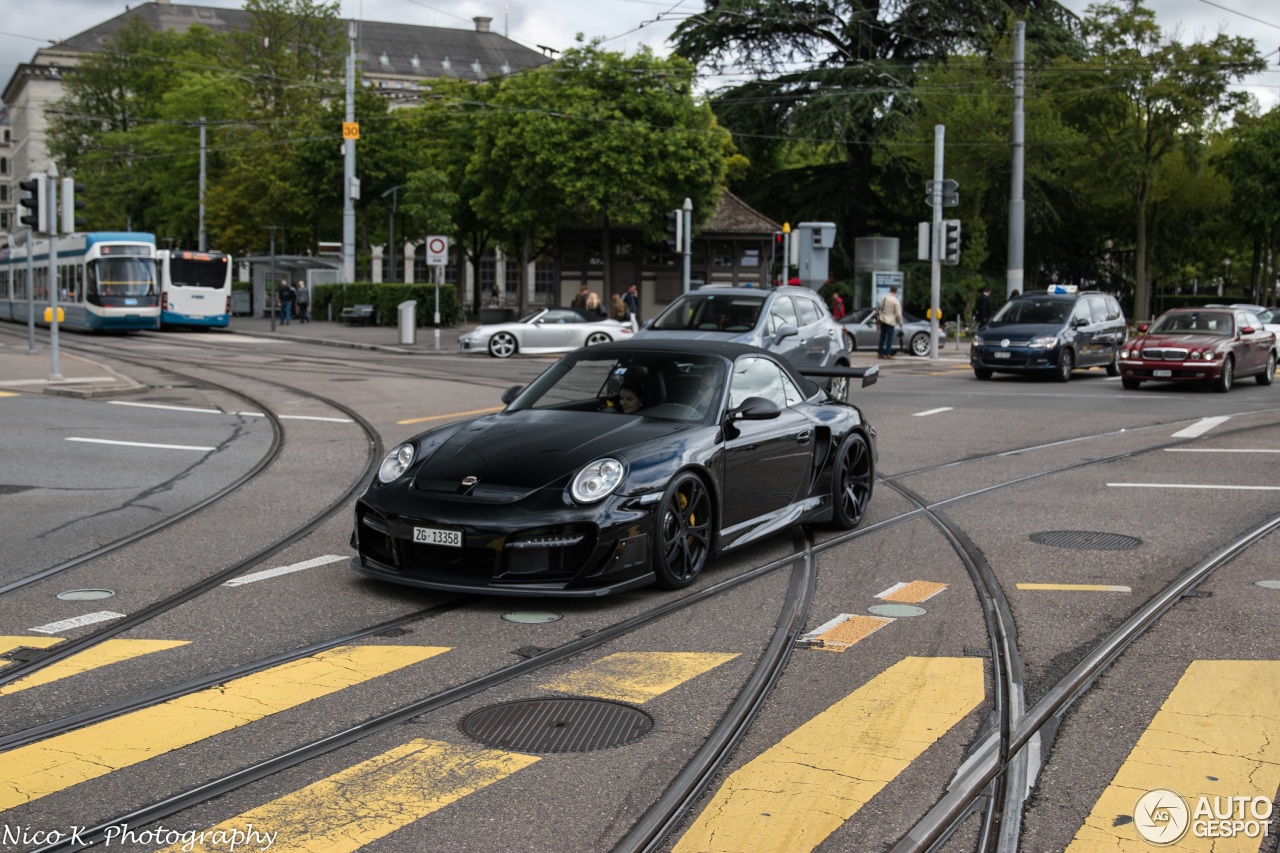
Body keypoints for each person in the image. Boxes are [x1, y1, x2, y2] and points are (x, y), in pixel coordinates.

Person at [876, 284, 902, 359]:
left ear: (890, 290)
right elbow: (898, 314)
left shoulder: (884, 297)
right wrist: (900, 323)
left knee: (882, 337)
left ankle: (880, 353)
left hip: (883, 320)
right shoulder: (895, 301)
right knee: (889, 338)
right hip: (891, 321)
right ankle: (888, 353)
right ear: (895, 291)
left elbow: (879, 308)